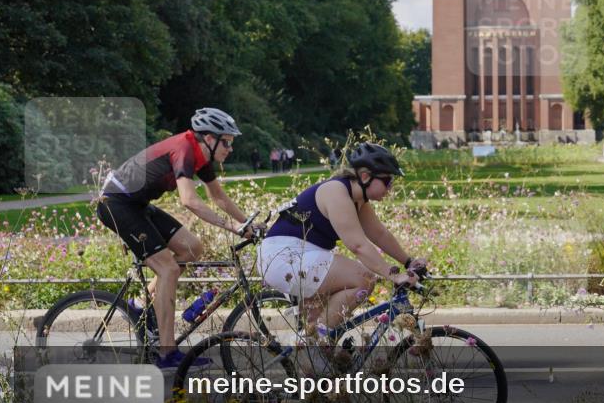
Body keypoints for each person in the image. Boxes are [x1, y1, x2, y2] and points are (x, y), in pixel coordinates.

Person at [96, 108, 259, 368]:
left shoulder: (201, 158)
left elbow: (218, 197)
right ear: (208, 138)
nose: (230, 148)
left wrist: (249, 223)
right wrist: (234, 228)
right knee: (168, 269)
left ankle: (140, 305)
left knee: (192, 248)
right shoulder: (184, 148)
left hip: (137, 204)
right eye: (226, 142)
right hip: (116, 204)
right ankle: (166, 353)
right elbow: (189, 200)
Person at [258, 142, 426, 338]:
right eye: (388, 181)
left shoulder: (358, 200)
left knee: (321, 315)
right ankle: (318, 342)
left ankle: (311, 348)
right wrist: (395, 275)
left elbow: (380, 235)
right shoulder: (336, 192)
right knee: (364, 279)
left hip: (302, 255)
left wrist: (408, 261)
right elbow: (357, 245)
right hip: (284, 255)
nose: (391, 187)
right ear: (365, 177)